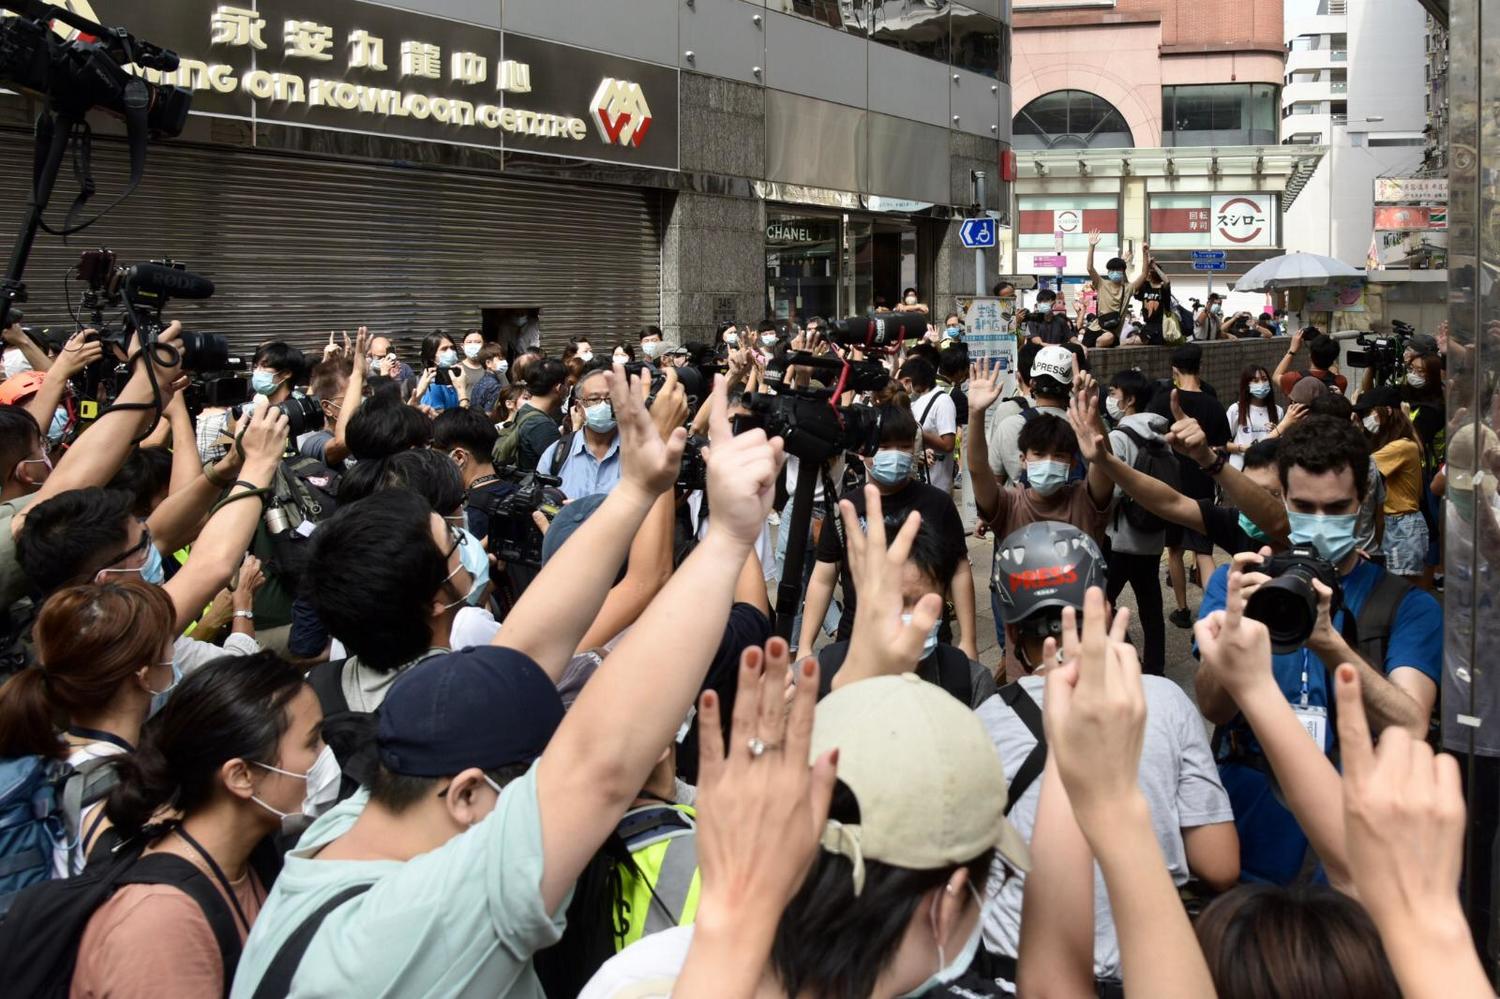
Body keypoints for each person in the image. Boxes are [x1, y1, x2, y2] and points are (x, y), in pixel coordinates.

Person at [231, 367, 783, 998]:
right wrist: (731, 537)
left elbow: (524, 652)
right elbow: (599, 766)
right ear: (468, 794)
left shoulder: (360, 820)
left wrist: (635, 490)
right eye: (524, 784)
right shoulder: (426, 922)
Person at [979, 521, 1237, 990]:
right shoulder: (1164, 699)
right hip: (1149, 968)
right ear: (1108, 608)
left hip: (1019, 969)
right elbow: (1218, 863)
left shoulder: (981, 723)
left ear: (1012, 630)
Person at [1194, 415, 1443, 883]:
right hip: (1249, 847)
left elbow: (1411, 723)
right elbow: (1213, 706)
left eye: (1336, 507)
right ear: (1283, 498)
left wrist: (1328, 641)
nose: (1321, 522)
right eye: (1305, 506)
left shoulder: (1407, 607)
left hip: (1352, 861)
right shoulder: (1241, 584)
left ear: (1362, 500)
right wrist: (1230, 633)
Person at [68, 654, 324, 998]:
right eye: (313, 742)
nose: (326, 755)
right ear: (241, 776)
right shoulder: (161, 923)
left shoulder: (251, 859)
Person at [0, 579, 178, 869]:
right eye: (169, 647)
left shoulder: (43, 757)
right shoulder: (129, 798)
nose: (172, 658)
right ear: (144, 676)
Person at [799, 404, 977, 660]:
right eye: (883, 446)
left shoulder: (938, 504)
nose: (895, 455)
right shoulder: (845, 510)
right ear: (862, 452)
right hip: (859, 645)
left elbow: (959, 569)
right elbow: (823, 578)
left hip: (929, 644)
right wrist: (805, 646)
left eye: (904, 446)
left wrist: (968, 640)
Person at [814, 519, 995, 707]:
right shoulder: (820, 677)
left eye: (924, 604)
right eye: (896, 603)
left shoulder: (971, 683)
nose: (912, 617)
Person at [1148, 344, 1230, 628]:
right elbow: (1222, 448)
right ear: (1200, 366)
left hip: (1170, 484)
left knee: (1174, 551)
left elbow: (1150, 440)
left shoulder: (1162, 400)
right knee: (1203, 551)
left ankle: (1182, 609)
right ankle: (1215, 613)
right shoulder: (1213, 404)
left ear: (1174, 369)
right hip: (1203, 482)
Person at [1099, 369, 1171, 675]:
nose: (1110, 399)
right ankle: (1155, 668)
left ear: (1129, 400)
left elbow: (1112, 489)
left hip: (1120, 537)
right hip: (1153, 535)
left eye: (1114, 393)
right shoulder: (1160, 434)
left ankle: (1123, 657)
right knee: (1151, 605)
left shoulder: (1118, 437)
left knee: (1101, 601)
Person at [1356, 385, 1429, 582]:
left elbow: (1361, 465)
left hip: (1401, 525)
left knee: (1401, 591)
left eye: (1369, 412)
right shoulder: (1401, 443)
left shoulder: (1400, 447)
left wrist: (1354, 428)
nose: (1365, 418)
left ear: (1387, 411)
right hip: (1396, 524)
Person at [986, 343, 1075, 487]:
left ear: (1032, 383)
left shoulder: (1009, 425)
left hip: (1018, 507)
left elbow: (993, 482)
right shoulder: (1084, 427)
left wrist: (975, 413)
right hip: (1075, 507)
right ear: (1070, 386)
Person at [537, 365, 623, 499]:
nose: (603, 405)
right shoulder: (556, 455)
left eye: (610, 399)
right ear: (579, 407)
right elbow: (542, 505)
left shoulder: (638, 452)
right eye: (594, 399)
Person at [899, 356, 958, 494]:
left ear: (909, 381)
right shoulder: (916, 401)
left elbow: (948, 444)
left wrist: (916, 430)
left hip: (936, 484)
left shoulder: (943, 401)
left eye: (901, 383)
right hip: (918, 483)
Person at [1084, 233, 1146, 348]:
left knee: (1107, 339)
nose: (1115, 272)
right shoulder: (1101, 283)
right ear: (1108, 272)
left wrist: (1145, 253)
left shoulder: (1128, 288)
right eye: (1112, 270)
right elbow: (1089, 268)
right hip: (1094, 328)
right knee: (1082, 351)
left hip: (1111, 332)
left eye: (1118, 270)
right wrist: (1091, 246)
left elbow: (1143, 274)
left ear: (1123, 272)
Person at [510, 358, 567, 472]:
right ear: (559, 388)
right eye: (567, 384)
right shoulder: (541, 425)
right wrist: (576, 428)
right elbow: (562, 466)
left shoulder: (525, 410)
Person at [1225, 364, 1281, 469]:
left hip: (1267, 468)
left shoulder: (1277, 410)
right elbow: (1222, 444)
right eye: (1255, 381)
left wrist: (1277, 433)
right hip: (1240, 468)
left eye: (1264, 379)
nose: (1261, 384)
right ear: (1247, 385)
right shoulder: (1236, 409)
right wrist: (1243, 448)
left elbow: (1281, 444)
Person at [1275, 327, 1347, 397]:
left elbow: (1276, 376)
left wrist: (1292, 350)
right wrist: (1325, 343)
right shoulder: (1340, 382)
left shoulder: (1294, 378)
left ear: (1310, 356)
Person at [415, 331, 463, 412]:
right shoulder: (433, 385)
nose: (450, 352)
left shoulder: (455, 379)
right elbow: (439, 420)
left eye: (452, 348)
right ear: (432, 357)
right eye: (444, 349)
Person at [1132, 261, 1171, 345]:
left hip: (1161, 326)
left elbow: (1167, 282)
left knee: (1133, 341)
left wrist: (1155, 266)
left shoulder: (1162, 289)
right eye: (1148, 272)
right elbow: (1133, 287)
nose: (1149, 274)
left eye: (1151, 272)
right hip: (1148, 325)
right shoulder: (1145, 287)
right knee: (1131, 341)